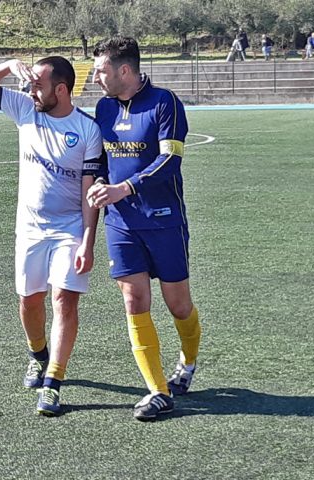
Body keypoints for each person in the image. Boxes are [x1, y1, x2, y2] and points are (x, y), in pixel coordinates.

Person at [0, 56, 103, 417]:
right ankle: (37, 354)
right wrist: (8, 64)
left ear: (61, 89)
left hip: (70, 229)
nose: (31, 89)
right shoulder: (27, 110)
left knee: (64, 300)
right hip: (29, 228)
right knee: (30, 301)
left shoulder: (88, 130)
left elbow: (89, 193)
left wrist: (88, 241)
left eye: (38, 84)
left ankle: (53, 383)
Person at [89, 37, 202, 422]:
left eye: (100, 70)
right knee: (134, 301)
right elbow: (102, 161)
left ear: (124, 70)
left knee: (178, 305)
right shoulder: (102, 108)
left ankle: (186, 364)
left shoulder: (164, 102)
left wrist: (126, 186)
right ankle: (158, 391)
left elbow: (170, 159)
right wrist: (103, 185)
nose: (94, 77)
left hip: (163, 219)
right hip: (120, 222)